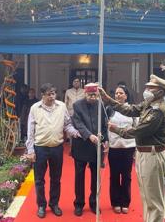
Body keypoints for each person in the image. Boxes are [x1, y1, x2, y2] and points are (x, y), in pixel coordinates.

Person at [99, 74, 165, 222]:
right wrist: (108, 99)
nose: (146, 90)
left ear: (160, 91)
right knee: (146, 196)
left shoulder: (157, 110)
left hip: (152, 154)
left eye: (150, 88)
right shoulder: (149, 103)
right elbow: (131, 109)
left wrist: (117, 130)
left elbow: (138, 130)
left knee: (154, 198)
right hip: (144, 153)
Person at [22, 83, 81, 218]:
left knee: (56, 178)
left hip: (57, 148)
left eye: (53, 93)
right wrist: (30, 150)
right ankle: (41, 205)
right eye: (49, 94)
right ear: (42, 95)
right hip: (40, 148)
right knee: (39, 180)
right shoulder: (35, 108)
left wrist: (76, 133)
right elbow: (30, 131)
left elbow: (67, 124)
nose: (52, 96)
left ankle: (54, 204)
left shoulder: (61, 106)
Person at [71, 83, 109, 216]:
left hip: (96, 147)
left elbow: (105, 125)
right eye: (90, 95)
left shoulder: (101, 105)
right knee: (79, 176)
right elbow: (78, 124)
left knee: (95, 177)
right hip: (81, 145)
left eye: (95, 95)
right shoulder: (77, 105)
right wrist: (89, 135)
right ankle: (79, 204)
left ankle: (94, 202)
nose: (93, 97)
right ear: (85, 94)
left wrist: (104, 138)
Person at [107, 85, 136, 214]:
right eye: (116, 93)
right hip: (114, 147)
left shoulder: (132, 110)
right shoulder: (109, 109)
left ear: (126, 95)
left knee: (126, 176)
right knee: (114, 176)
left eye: (121, 93)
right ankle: (115, 202)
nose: (118, 95)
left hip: (128, 147)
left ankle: (125, 202)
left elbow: (136, 128)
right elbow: (104, 126)